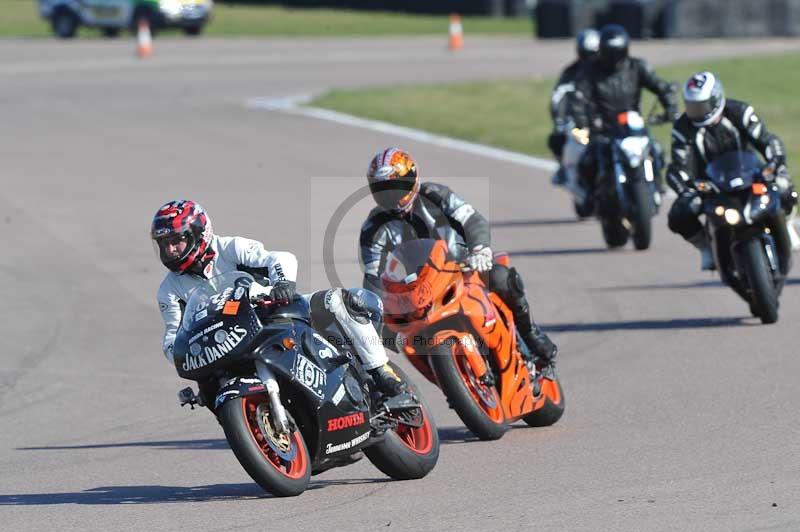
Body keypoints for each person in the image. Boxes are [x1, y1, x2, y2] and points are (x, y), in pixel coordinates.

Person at [151, 199, 407, 401]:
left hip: (272, 315)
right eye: (164, 244)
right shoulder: (169, 290)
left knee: (339, 301)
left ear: (198, 234)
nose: (170, 250)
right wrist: (181, 353)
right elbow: (172, 337)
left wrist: (282, 283)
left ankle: (380, 370)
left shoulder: (230, 247)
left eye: (176, 241)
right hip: (226, 345)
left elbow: (278, 258)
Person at [358, 148, 558, 376]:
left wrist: (480, 249)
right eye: (384, 190)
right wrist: (377, 311)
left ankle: (532, 335)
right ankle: (446, 376)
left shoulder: (435, 195)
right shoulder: (373, 228)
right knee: (401, 334)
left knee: (503, 278)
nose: (393, 195)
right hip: (419, 289)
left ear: (413, 178)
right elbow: (372, 275)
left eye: (398, 186)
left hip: (464, 267)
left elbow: (472, 219)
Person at [666, 71, 798, 270]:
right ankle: (706, 248)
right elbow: (678, 165)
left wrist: (774, 162)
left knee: (783, 185)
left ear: (717, 98)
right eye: (692, 106)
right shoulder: (683, 128)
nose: (697, 111)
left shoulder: (739, 111)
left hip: (751, 175)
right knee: (679, 214)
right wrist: (690, 186)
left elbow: (767, 140)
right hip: (710, 186)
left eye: (702, 105)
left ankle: (786, 224)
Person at [571, 24, 679, 200]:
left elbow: (660, 86)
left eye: (618, 52)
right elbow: (578, 97)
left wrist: (670, 107)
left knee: (657, 151)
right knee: (587, 161)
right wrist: (582, 123)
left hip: (632, 124)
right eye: (610, 53)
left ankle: (656, 184)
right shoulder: (590, 71)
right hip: (602, 128)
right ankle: (591, 196)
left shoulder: (637, 67)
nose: (614, 58)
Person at [548, 28, 600, 172]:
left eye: (593, 54)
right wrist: (560, 122)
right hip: (580, 123)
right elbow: (558, 96)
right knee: (558, 140)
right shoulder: (571, 72)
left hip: (605, 121)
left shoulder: (606, 71)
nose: (590, 59)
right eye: (586, 54)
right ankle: (565, 170)